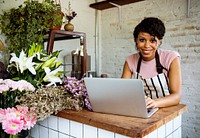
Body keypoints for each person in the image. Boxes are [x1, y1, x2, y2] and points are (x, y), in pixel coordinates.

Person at [121, 17, 182, 109]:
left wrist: (155, 103)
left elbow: (176, 96)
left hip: (167, 110)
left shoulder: (171, 57)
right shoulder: (130, 60)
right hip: (143, 109)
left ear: (159, 42)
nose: (146, 45)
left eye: (152, 41)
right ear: (136, 40)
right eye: (142, 40)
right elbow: (123, 90)